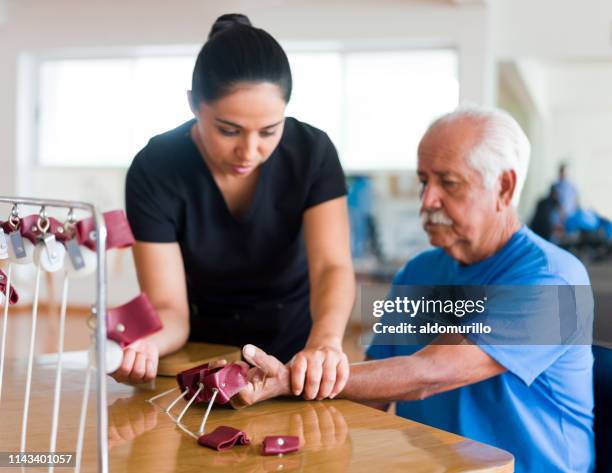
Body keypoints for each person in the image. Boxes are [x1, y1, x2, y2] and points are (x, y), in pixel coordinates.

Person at [228, 106, 595, 473]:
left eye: (448, 183)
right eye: (424, 181)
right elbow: (373, 395)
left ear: (504, 186)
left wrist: (290, 380)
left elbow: (429, 373)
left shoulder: (554, 281)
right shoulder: (419, 273)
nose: (427, 201)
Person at [119, 13, 355, 402]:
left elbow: (332, 266)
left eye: (269, 131)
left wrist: (326, 343)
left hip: (298, 354)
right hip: (202, 356)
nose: (249, 152)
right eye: (228, 130)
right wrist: (144, 345)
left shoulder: (312, 152)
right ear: (193, 103)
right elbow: (169, 307)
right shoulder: (155, 168)